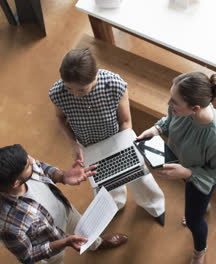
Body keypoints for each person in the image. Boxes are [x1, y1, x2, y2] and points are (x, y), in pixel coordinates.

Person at [49, 48, 166, 225]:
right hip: (88, 145)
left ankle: (154, 205)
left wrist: (122, 150)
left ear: (95, 76)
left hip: (119, 138)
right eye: (68, 87)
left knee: (139, 176)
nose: (73, 93)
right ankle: (115, 204)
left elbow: (125, 122)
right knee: (104, 183)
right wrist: (74, 145)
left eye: (81, 90)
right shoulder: (58, 93)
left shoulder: (114, 85)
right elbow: (60, 118)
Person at [137, 72, 216, 264]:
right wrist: (157, 129)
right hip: (181, 163)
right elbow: (169, 121)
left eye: (175, 102)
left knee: (194, 220)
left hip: (201, 176)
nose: (169, 103)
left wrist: (188, 173)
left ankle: (200, 250)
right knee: (197, 205)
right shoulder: (180, 109)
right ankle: (203, 205)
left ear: (195, 108)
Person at [0, 144, 128, 264]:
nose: (33, 161)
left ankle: (97, 244)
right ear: (16, 182)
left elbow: (42, 168)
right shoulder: (7, 226)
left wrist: (63, 176)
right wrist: (65, 243)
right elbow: (28, 255)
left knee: (87, 232)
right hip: (51, 245)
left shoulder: (23, 167)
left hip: (65, 210)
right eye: (28, 165)